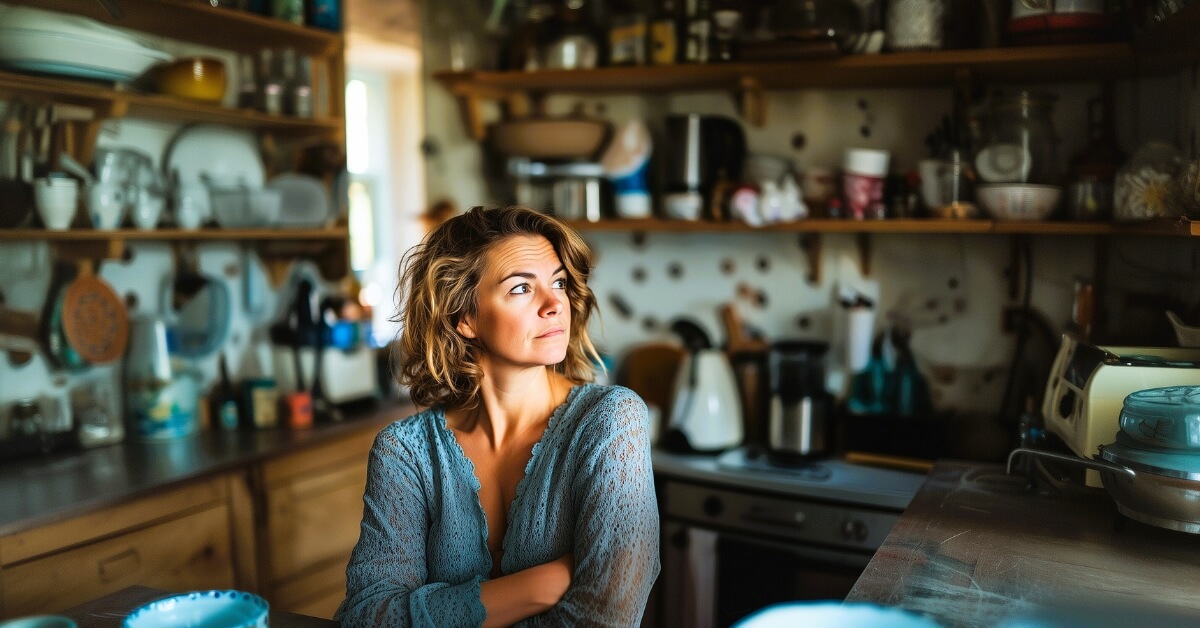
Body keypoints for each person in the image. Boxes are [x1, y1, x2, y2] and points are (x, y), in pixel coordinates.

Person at [336, 205, 660, 627]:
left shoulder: (611, 421)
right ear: (464, 317)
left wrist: (438, 612)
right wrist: (538, 586)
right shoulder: (405, 452)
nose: (554, 304)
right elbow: (366, 618)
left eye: (558, 283)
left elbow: (607, 619)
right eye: (521, 289)